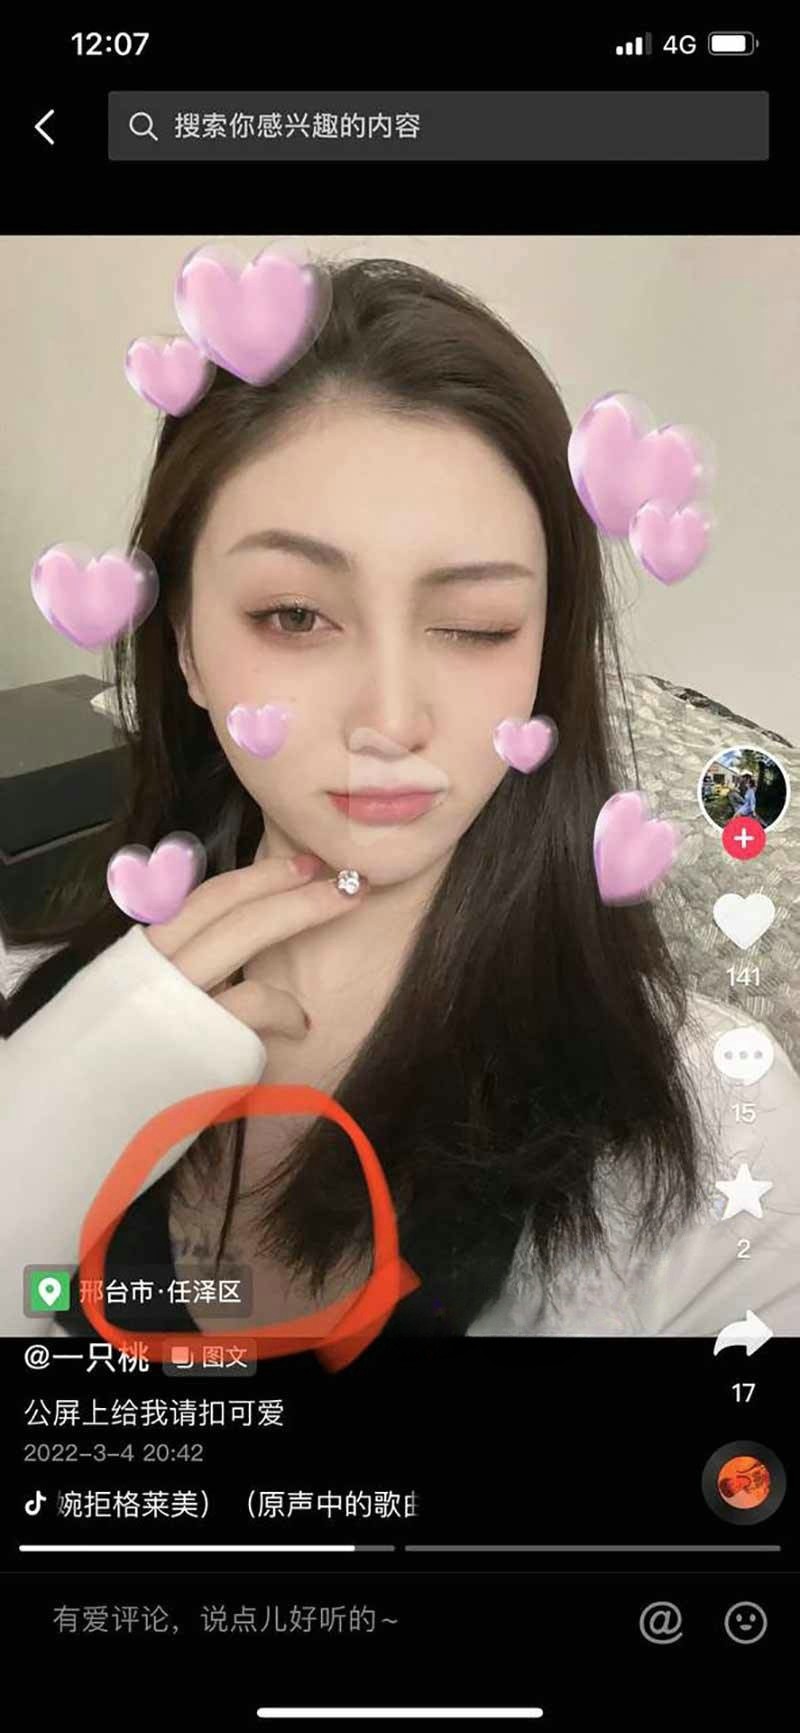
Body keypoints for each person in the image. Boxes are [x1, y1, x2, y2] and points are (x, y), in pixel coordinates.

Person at [2, 255, 799, 1343]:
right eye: (294, 615)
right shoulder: (30, 1021)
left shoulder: (721, 1128)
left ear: (543, 653)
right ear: (183, 643)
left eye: (473, 626)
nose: (389, 717)